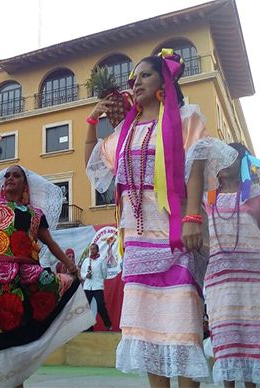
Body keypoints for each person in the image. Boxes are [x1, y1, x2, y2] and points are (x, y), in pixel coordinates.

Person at [84, 49, 231, 387]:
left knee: (181, 324)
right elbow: (93, 166)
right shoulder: (124, 133)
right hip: (137, 238)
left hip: (176, 232)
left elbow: (195, 166)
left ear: (164, 80)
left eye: (145, 76)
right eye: (133, 79)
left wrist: (193, 216)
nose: (135, 82)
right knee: (148, 331)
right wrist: (93, 121)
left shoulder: (184, 117)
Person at [0, 156, 95, 388]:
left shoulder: (35, 214)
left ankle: (15, 383)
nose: (10, 178)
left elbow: (51, 244)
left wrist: (72, 267)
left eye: (16, 175)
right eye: (7, 176)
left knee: (14, 337)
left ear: (25, 185)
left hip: (20, 282)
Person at [191, 142, 260, 387]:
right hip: (222, 283)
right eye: (219, 158)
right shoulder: (206, 198)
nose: (223, 162)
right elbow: (201, 239)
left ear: (242, 161)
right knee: (227, 340)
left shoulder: (255, 195)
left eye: (230, 157)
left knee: (254, 341)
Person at [81, 243, 112, 331]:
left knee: (100, 305)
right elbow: (82, 273)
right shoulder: (86, 260)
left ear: (97, 250)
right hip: (87, 286)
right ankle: (88, 327)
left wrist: (103, 267)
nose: (92, 250)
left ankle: (108, 324)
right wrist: (86, 275)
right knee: (86, 307)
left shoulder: (101, 260)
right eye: (91, 249)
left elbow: (105, 275)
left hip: (98, 286)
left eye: (94, 249)